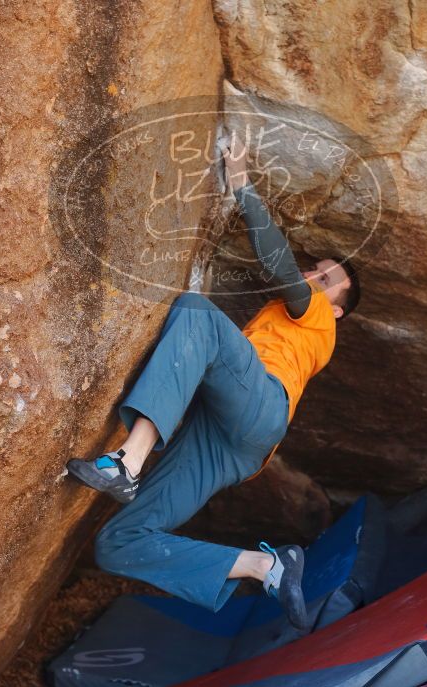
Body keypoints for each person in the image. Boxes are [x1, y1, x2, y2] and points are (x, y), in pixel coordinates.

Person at [66, 133, 361, 630]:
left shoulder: (321, 322)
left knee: (197, 314)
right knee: (118, 544)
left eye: (325, 279)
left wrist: (242, 185)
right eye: (316, 269)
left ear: (334, 308)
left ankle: (127, 461)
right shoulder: (286, 320)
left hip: (261, 406)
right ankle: (263, 566)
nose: (313, 276)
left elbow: (281, 269)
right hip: (230, 444)